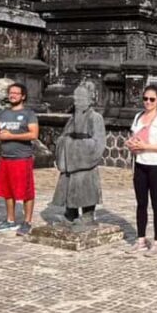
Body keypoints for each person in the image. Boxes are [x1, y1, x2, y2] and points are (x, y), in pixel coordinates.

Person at [51, 81, 106, 228]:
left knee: (85, 186)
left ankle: (88, 216)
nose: (77, 102)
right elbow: (64, 136)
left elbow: (98, 143)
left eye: (81, 98)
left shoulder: (95, 118)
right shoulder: (72, 118)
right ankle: (70, 214)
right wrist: (65, 143)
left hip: (84, 162)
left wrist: (74, 146)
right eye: (75, 99)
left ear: (89, 99)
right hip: (70, 160)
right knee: (68, 185)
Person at [126, 84, 157, 255]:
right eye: (145, 99)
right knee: (141, 203)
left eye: (152, 99)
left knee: (156, 203)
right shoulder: (138, 117)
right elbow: (134, 137)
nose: (148, 102)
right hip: (140, 163)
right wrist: (131, 144)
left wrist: (147, 146)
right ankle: (140, 239)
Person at [0, 83, 39, 236]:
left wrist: (12, 136)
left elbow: (33, 134)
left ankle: (27, 222)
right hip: (6, 158)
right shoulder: (3, 113)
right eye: (11, 93)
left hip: (22, 158)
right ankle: (10, 220)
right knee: (7, 191)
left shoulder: (28, 114)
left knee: (26, 191)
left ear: (23, 96)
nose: (12, 95)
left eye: (16, 93)